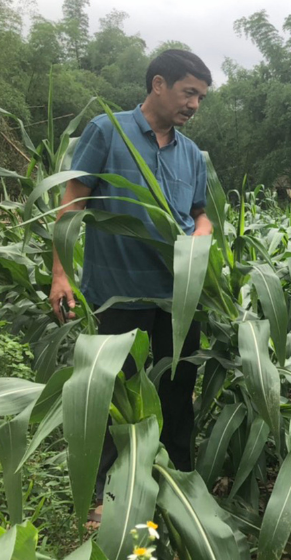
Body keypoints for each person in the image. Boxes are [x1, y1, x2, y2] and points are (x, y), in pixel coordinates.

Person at [49, 49, 213, 523]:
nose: (195, 105)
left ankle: (177, 484)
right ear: (158, 84)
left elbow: (200, 212)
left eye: (201, 97)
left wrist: (200, 238)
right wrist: (60, 273)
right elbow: (73, 201)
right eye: (189, 93)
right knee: (112, 398)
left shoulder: (191, 154)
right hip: (116, 294)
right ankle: (109, 495)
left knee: (179, 395)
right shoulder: (109, 131)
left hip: (176, 298)